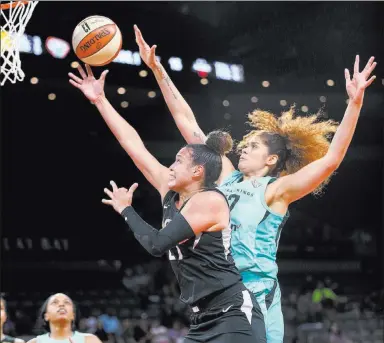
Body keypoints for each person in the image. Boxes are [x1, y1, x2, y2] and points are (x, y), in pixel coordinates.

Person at [133, 25, 377, 343]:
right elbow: (187, 121)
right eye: (245, 143)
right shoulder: (225, 176)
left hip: (258, 296)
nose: (243, 147)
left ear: (271, 160)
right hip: (219, 296)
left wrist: (354, 104)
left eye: (253, 145)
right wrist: (157, 68)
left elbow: (331, 160)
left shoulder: (276, 191)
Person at [68, 65, 265, 342]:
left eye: (178, 162)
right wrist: (100, 100)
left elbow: (157, 244)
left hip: (232, 313)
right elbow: (132, 144)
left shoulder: (209, 200)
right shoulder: (171, 192)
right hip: (201, 318)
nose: (169, 167)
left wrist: (126, 209)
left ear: (197, 172)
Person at [26, 293, 102, 343]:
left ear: (73, 315)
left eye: (67, 302)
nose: (61, 305)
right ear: (46, 316)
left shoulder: (90, 340)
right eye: (55, 302)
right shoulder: (35, 342)